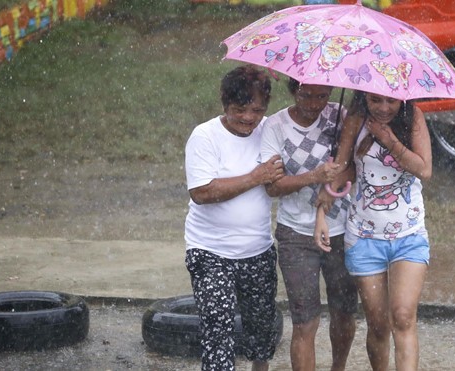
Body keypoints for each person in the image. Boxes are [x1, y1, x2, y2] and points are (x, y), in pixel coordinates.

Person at [315, 91, 432, 371]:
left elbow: (424, 170)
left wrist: (389, 140)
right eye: (375, 100)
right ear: (363, 96)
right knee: (378, 325)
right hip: (365, 239)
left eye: (391, 101)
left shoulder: (413, 117)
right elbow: (344, 170)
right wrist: (324, 200)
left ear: (403, 99)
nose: (383, 107)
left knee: (403, 317)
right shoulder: (356, 119)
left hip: (409, 236)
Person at [184, 65, 284, 371]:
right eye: (240, 109)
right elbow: (202, 192)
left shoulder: (271, 130)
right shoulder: (204, 136)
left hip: (258, 250)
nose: (248, 118)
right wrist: (256, 176)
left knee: (262, 332)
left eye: (257, 109)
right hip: (209, 251)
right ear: (225, 104)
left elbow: (279, 182)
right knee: (218, 330)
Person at [260, 78, 358, 371]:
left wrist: (333, 181)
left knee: (344, 312)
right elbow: (273, 187)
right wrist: (315, 177)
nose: (314, 104)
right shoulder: (275, 126)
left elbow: (354, 167)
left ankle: (338, 367)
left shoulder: (339, 116)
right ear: (293, 90)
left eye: (322, 96)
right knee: (305, 320)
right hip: (295, 234)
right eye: (306, 96)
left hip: (342, 229)